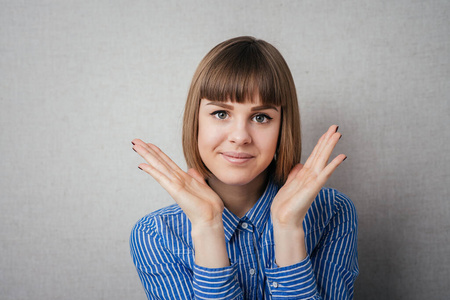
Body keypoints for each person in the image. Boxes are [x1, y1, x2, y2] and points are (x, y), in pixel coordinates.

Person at [130, 36, 358, 299]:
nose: (240, 137)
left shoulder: (333, 213)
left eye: (261, 117)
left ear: (283, 127)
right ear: (196, 121)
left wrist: (287, 229)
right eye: (221, 113)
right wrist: (207, 227)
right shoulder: (155, 235)